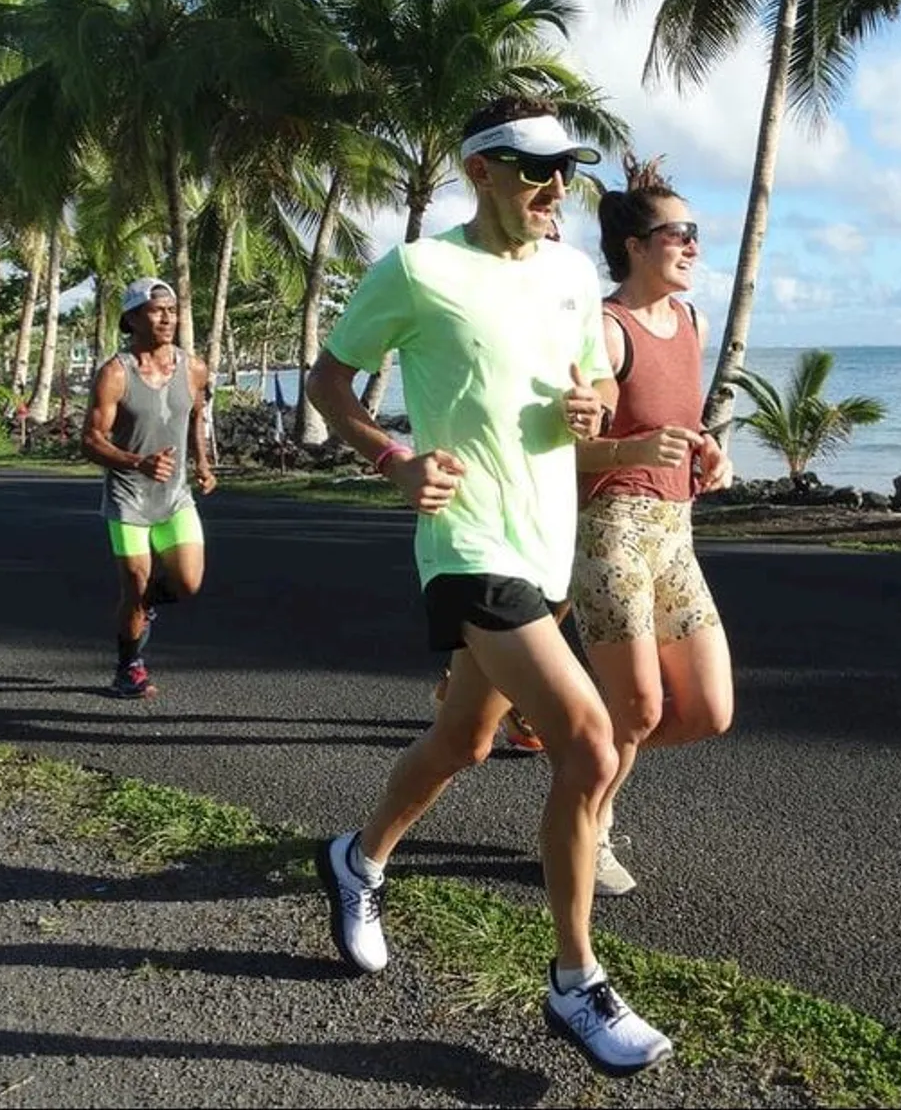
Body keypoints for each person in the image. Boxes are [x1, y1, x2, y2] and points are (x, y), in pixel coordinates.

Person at [308, 96, 674, 1077]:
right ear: (480, 171)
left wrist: (598, 411)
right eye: (532, 169)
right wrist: (389, 456)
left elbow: (581, 411)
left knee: (463, 740)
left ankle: (358, 856)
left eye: (566, 171)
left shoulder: (567, 275)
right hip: (464, 543)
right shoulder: (419, 269)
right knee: (591, 741)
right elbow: (329, 380)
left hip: (543, 544)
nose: (555, 188)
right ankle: (576, 981)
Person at [568, 154, 736, 896]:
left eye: (695, 231)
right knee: (636, 708)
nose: (694, 245)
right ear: (635, 247)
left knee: (707, 709)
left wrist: (709, 449)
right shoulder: (606, 329)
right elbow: (565, 445)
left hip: (676, 533)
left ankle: (585, 762)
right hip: (609, 532)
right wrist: (629, 449)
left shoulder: (692, 319)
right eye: (680, 233)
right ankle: (585, 822)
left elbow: (678, 420)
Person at [80, 277, 216, 699]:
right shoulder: (114, 374)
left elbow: (196, 416)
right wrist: (138, 462)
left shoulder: (192, 367)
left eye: (172, 310)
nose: (167, 317)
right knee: (135, 586)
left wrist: (203, 463)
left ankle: (143, 608)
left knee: (188, 584)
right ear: (132, 318)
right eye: (157, 310)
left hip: (175, 496)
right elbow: (90, 440)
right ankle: (128, 668)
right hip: (128, 498)